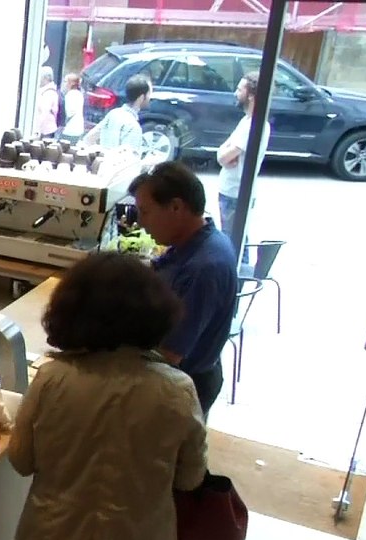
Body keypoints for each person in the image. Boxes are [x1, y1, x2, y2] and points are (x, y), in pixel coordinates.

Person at [7, 253, 207, 540]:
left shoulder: (54, 379)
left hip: (58, 537)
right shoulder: (177, 389)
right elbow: (192, 477)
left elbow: (21, 460)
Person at [131, 161, 240, 418]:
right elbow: (160, 270)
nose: (140, 223)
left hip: (180, 385)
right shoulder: (198, 241)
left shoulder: (203, 268)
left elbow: (169, 353)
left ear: (176, 207)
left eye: (145, 212)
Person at [215, 71, 271, 257]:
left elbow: (224, 157)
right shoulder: (246, 121)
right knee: (235, 240)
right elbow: (222, 151)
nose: (235, 93)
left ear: (251, 96)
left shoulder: (253, 125)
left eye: (240, 90)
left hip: (235, 194)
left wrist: (225, 154)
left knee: (234, 245)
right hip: (231, 192)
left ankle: (238, 282)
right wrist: (225, 153)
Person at [80, 74, 151, 154]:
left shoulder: (114, 113)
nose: (150, 97)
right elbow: (128, 161)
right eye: (149, 93)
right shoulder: (133, 126)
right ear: (141, 97)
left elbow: (88, 139)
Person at [34, 66, 59, 138]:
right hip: (46, 129)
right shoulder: (46, 91)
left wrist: (36, 130)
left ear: (46, 78)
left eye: (40, 77)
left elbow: (43, 112)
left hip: (45, 131)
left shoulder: (49, 93)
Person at [59, 72, 85, 143]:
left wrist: (63, 124)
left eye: (65, 81)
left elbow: (70, 112)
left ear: (71, 83)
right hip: (79, 128)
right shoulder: (79, 94)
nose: (63, 84)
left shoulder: (70, 95)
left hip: (70, 130)